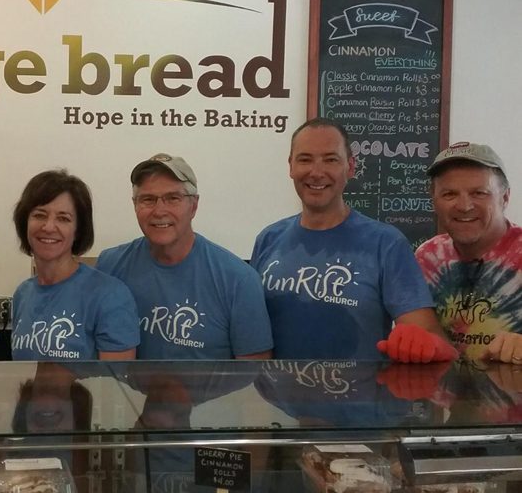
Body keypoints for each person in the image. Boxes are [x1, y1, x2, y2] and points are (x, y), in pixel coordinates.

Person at [250, 117, 455, 362]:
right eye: (305, 159)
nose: (316, 172)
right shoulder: (269, 238)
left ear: (350, 167)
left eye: (331, 159)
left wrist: (424, 343)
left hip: (363, 399)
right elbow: (252, 333)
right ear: (291, 166)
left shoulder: (386, 243)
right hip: (276, 400)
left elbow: (432, 337)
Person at [96, 153, 273, 359]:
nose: (159, 210)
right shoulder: (110, 267)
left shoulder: (239, 280)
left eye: (173, 198)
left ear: (194, 206)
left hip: (213, 393)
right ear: (135, 205)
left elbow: (253, 377)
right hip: (129, 392)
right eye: (148, 199)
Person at [10, 170, 139, 361]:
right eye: (39, 215)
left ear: (78, 230)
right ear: (25, 221)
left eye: (63, 218)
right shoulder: (23, 294)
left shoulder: (110, 296)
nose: (48, 227)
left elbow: (115, 386)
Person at [416, 141, 522, 363]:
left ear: (505, 197)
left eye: (479, 193)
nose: (464, 206)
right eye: (449, 194)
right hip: (441, 396)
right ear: (433, 201)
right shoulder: (427, 257)